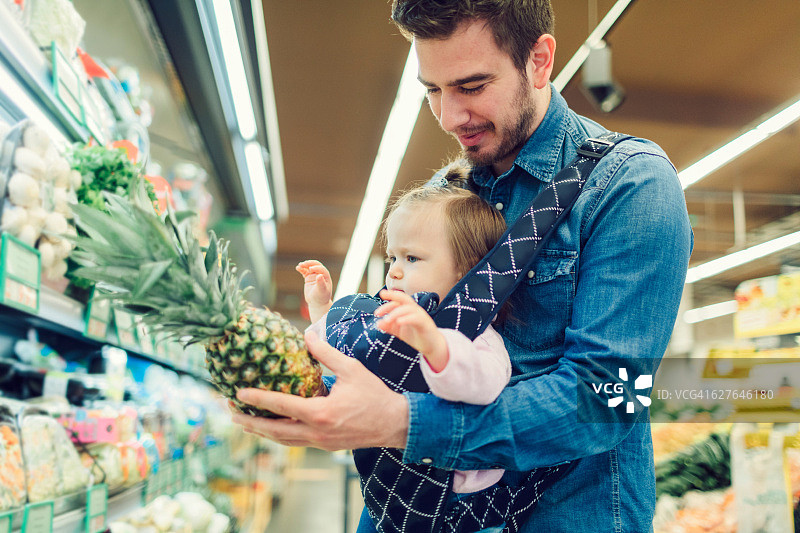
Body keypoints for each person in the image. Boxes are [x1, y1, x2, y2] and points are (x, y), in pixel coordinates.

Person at [230, 1, 693, 531]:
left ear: (539, 61)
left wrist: (403, 423)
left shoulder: (631, 186)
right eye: (432, 90)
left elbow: (611, 396)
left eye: (471, 87)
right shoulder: (439, 199)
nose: (450, 117)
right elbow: (387, 361)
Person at [296, 180, 515, 497]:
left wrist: (435, 346)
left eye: (411, 258)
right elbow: (343, 351)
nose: (394, 272)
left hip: (455, 504)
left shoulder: (472, 333)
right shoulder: (389, 316)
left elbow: (484, 386)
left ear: (468, 271)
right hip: (389, 488)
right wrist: (322, 309)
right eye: (392, 258)